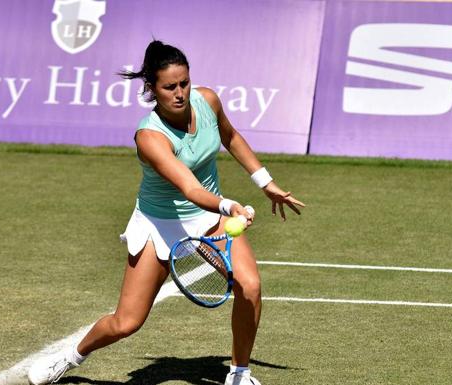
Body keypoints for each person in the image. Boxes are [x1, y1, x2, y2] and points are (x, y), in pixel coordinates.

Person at [28, 40, 304, 385]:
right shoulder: (149, 136)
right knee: (126, 322)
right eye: (169, 87)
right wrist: (228, 205)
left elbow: (230, 136)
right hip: (160, 224)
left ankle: (239, 374)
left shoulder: (208, 101)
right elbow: (189, 188)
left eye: (184, 83)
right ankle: (69, 358)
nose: (180, 93)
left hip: (208, 217)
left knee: (249, 286)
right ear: (151, 89)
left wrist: (266, 182)